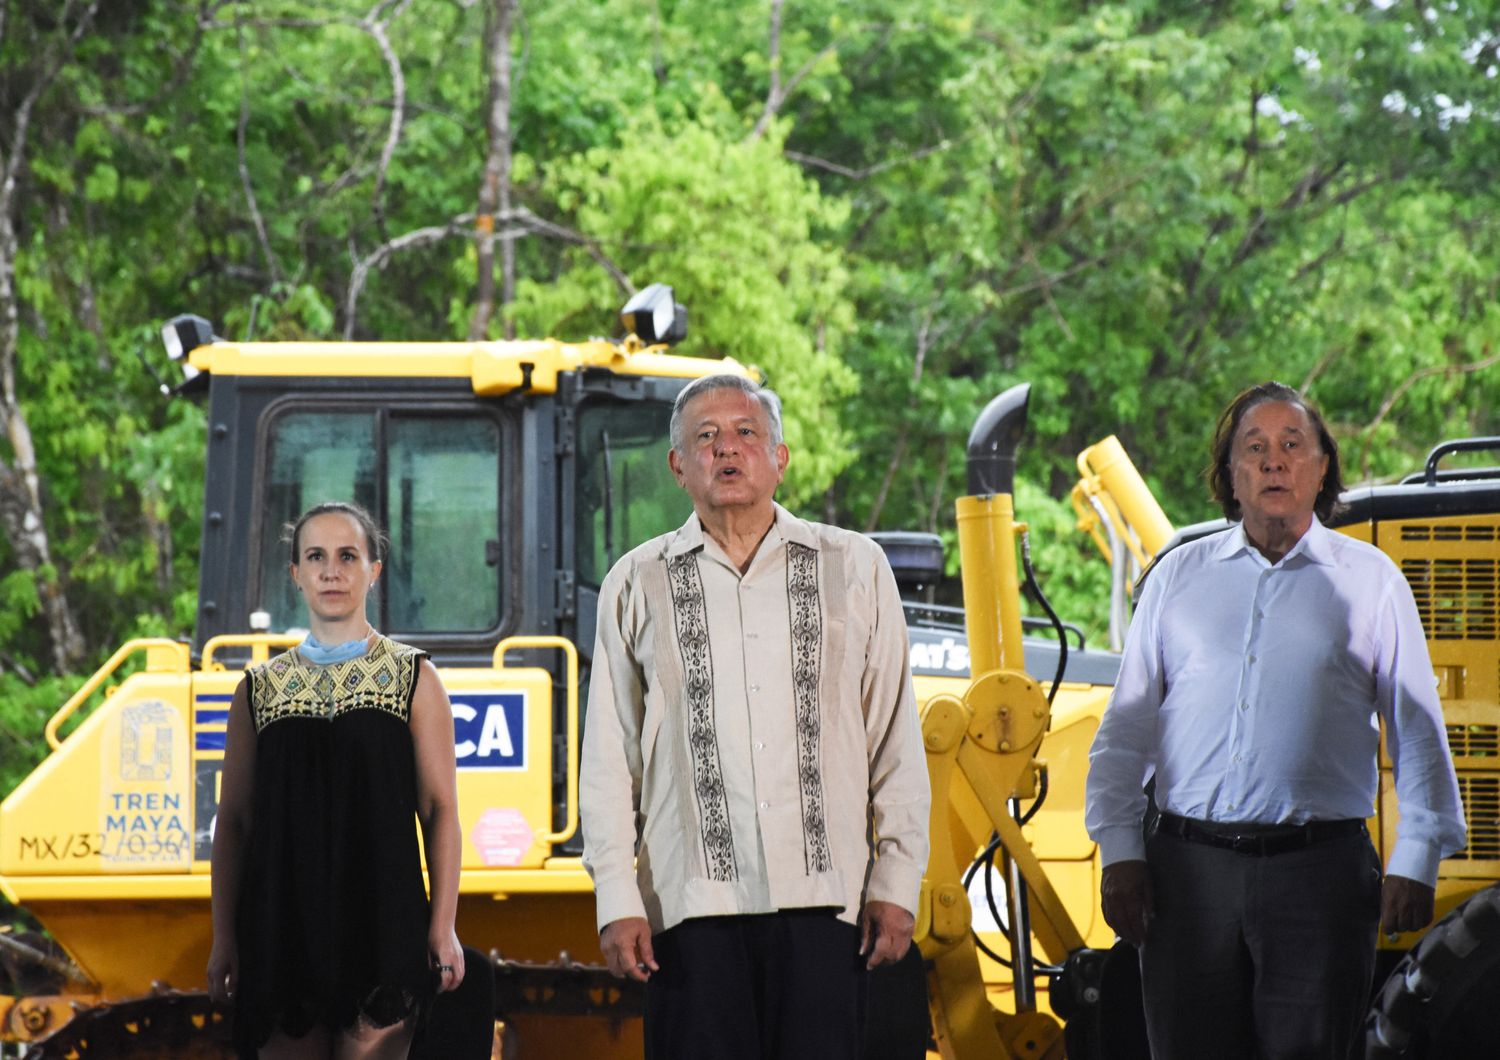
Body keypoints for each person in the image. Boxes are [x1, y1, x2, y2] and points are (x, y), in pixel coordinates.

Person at [1084, 382, 1467, 1059]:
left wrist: (1418, 855)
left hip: (1318, 881)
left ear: (1323, 468)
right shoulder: (1178, 578)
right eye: (1254, 448)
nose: (1274, 462)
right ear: (1230, 475)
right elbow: (1125, 733)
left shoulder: (1371, 582)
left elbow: (1417, 727)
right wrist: (1121, 853)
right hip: (1185, 878)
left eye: (1294, 445)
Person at [579, 374, 931, 1060]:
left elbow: (893, 737)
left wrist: (896, 881)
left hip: (829, 905)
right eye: (705, 438)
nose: (728, 450)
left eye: (746, 433)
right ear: (679, 466)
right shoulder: (635, 581)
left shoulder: (855, 567)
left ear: (780, 457)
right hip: (690, 909)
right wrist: (616, 896)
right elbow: (610, 757)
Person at [207, 501, 465, 1060]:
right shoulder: (259, 689)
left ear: (374, 569)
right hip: (281, 925)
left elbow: (440, 809)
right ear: (295, 573)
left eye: (348, 556)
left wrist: (442, 927)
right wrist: (224, 935)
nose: (332, 571)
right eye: (316, 557)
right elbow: (234, 823)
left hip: (382, 918)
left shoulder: (414, 678)